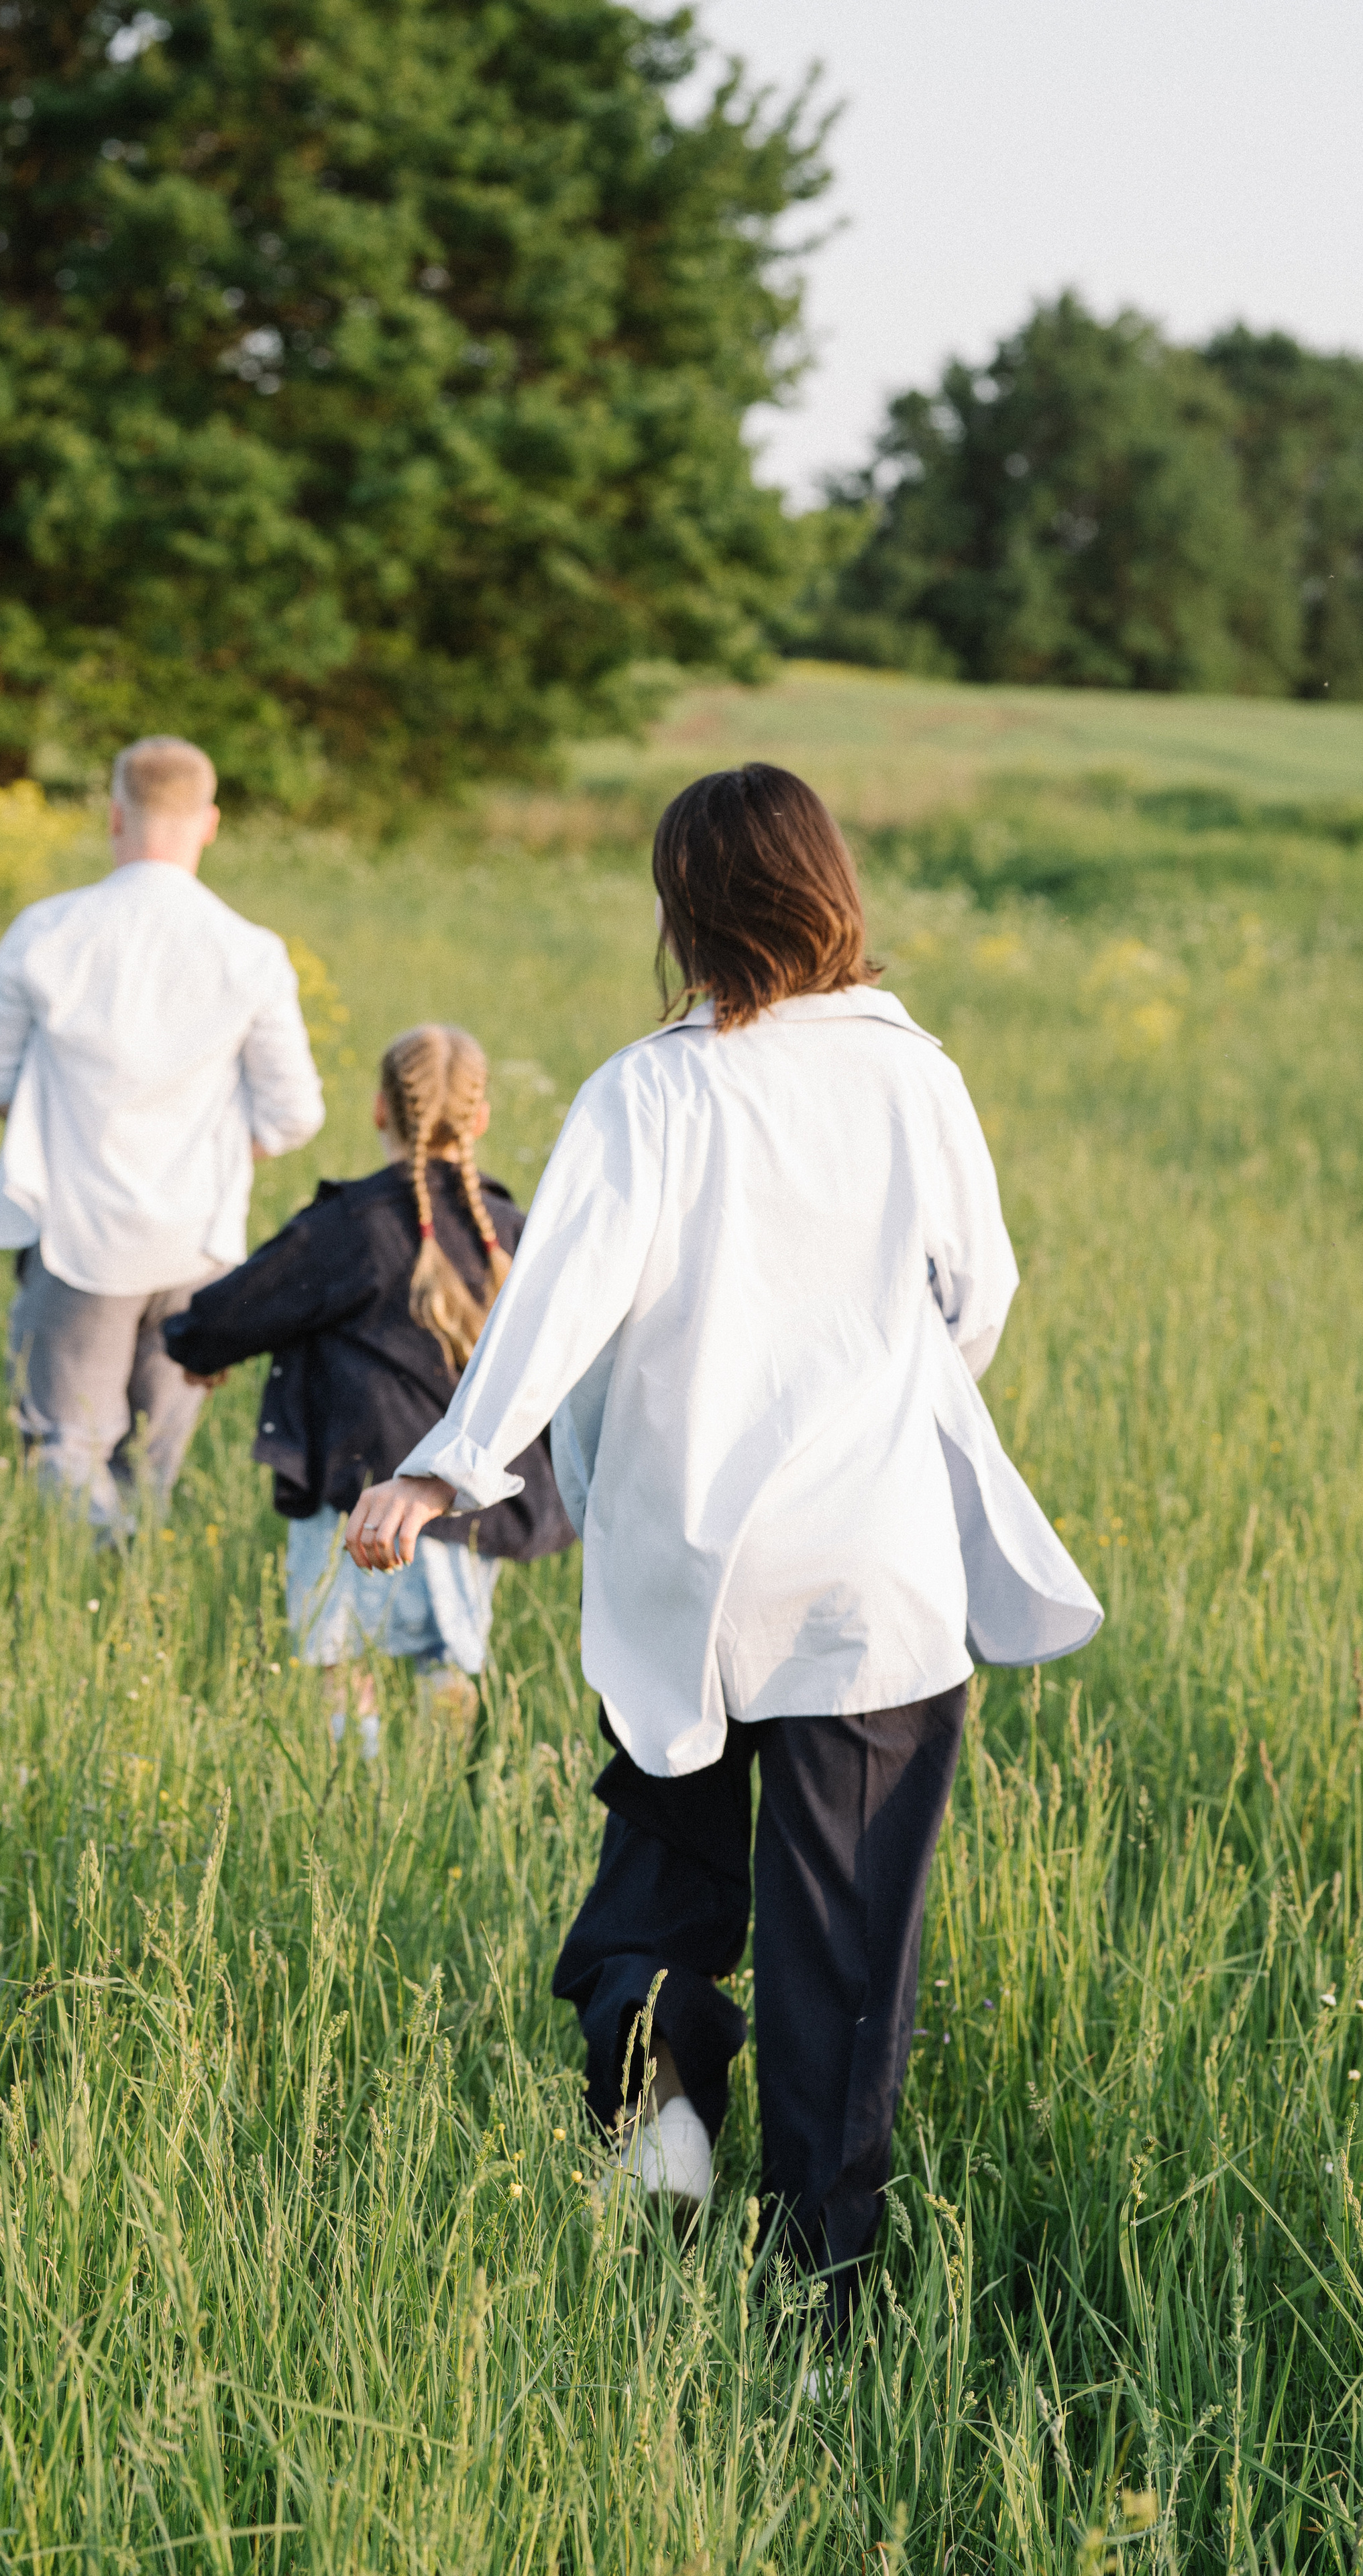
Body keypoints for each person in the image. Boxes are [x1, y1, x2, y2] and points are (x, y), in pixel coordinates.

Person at [343, 764, 1101, 2326]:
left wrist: (440, 1472)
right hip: (870, 1575)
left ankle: (664, 2114)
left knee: (660, 1869)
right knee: (841, 1953)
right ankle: (818, 2299)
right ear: (828, 883)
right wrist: (875, 1401)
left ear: (682, 906)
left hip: (692, 1574)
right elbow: (981, 1299)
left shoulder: (650, 1087)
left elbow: (553, 1305)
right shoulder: (916, 1076)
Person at [165, 1024, 574, 1754]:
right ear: (480, 1119)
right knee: (449, 1669)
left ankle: (360, 1785)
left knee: (342, 1665)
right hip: (461, 1506)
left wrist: (198, 1350)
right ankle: (439, 1794)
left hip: (353, 1498)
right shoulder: (511, 1232)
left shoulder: (349, 1227)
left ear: (380, 1109)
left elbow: (239, 1306)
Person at [0, 735, 324, 1534]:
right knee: (154, 1456)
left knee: (67, 1443)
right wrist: (224, 1148)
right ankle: (139, 1589)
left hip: (73, 1232)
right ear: (210, 823)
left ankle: (88, 1593)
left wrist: (56, 1126)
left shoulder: (47, 931)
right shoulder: (252, 953)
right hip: (197, 1240)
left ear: (115, 814)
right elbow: (294, 1113)